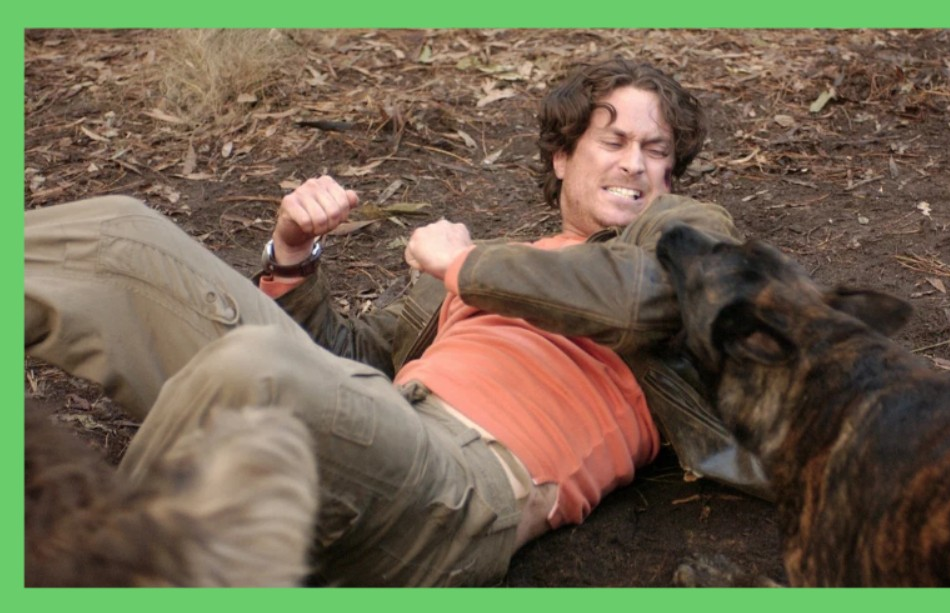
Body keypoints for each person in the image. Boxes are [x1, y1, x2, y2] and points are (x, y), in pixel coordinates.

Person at [24, 58, 768, 587]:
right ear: (561, 156)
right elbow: (345, 363)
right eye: (614, 142)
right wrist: (293, 256)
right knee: (116, 235)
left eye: (657, 152)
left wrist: (464, 267)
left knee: (254, 371)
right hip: (380, 428)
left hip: (466, 487)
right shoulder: (484, 269)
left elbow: (647, 301)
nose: (637, 164)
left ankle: (95, 568)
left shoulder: (679, 235)